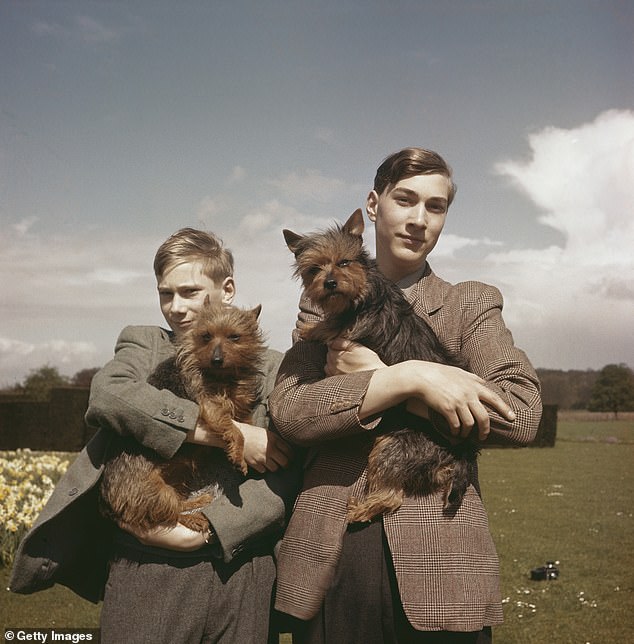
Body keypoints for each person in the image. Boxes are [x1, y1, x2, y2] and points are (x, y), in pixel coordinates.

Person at [269, 148, 542, 643]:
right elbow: (291, 414)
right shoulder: (318, 314)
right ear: (373, 206)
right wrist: (397, 383)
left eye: (435, 207)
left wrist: (409, 379)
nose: (419, 219)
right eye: (405, 199)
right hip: (331, 557)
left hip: (442, 557)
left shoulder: (468, 304)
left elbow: (522, 415)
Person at [10, 227, 299, 644]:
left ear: (227, 288)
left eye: (190, 291)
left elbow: (289, 471)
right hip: (148, 567)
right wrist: (224, 434)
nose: (177, 308)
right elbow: (109, 394)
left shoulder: (273, 364)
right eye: (166, 294)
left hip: (241, 566)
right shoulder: (145, 343)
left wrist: (212, 528)